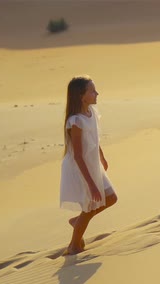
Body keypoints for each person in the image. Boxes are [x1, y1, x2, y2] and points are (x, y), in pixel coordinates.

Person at [59, 75, 117, 255]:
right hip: (80, 168)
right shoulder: (76, 121)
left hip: (93, 163)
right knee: (89, 205)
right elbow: (77, 154)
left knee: (111, 198)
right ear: (81, 96)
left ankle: (78, 221)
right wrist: (91, 184)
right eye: (92, 91)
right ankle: (73, 245)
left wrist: (102, 156)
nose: (97, 93)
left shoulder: (92, 113)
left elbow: (94, 138)